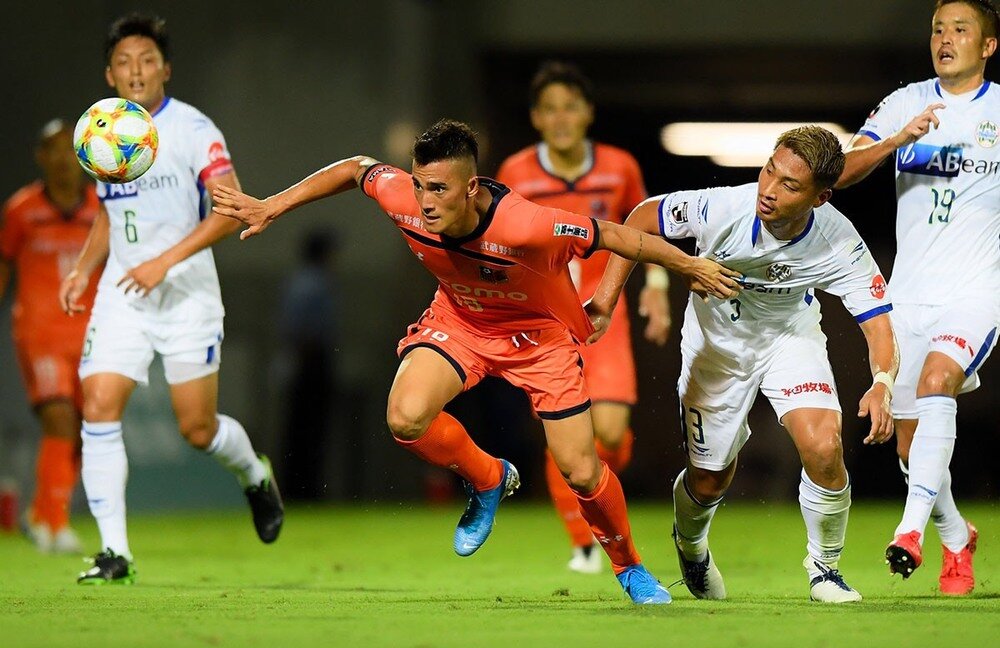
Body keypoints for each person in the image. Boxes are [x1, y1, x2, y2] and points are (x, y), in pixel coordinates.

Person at [212, 119, 741, 604]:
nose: (425, 202)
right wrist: (272, 205)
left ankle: (630, 568)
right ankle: (488, 477)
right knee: (405, 417)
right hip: (461, 322)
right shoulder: (402, 197)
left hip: (539, 339)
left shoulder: (525, 224)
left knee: (581, 472)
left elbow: (619, 235)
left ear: (470, 187)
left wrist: (686, 266)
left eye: (439, 189)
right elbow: (355, 169)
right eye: (420, 185)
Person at [588, 126, 898, 603]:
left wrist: (882, 382)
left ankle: (825, 569)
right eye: (769, 171)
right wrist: (606, 301)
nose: (769, 190)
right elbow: (642, 217)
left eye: (789, 185)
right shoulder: (723, 207)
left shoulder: (838, 242)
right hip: (717, 347)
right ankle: (691, 546)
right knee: (710, 478)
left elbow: (878, 323)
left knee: (823, 445)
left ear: (820, 198)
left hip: (789, 339)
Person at [58, 12, 284, 585]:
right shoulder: (102, 129)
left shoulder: (193, 129)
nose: (136, 71)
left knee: (197, 430)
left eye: (147, 60)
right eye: (125, 62)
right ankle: (114, 554)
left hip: (185, 293)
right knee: (98, 404)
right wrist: (83, 269)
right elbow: (111, 214)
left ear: (166, 70)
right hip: (124, 293)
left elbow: (230, 209)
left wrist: (164, 261)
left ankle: (254, 474)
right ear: (110, 75)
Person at [836, 0, 999, 596]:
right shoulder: (904, 103)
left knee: (936, 382)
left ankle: (909, 532)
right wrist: (896, 141)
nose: (944, 39)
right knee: (910, 447)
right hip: (907, 296)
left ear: (988, 46)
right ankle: (957, 537)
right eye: (937, 29)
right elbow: (841, 171)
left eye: (960, 29)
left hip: (975, 291)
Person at [496, 61, 670, 574]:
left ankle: (598, 498)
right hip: (544, 319)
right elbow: (497, 240)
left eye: (570, 107)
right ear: (536, 118)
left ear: (588, 112)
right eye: (549, 109)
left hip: (602, 315)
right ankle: (584, 542)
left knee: (610, 434)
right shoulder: (515, 173)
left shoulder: (619, 167)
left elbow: (645, 226)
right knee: (564, 430)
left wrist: (656, 287)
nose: (561, 118)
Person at [0, 120, 100, 554]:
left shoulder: (102, 209)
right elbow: (3, 262)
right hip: (39, 333)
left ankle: (42, 512)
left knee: (85, 428)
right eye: (53, 150)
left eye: (69, 149)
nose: (63, 159)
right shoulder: (22, 210)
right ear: (40, 157)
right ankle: (56, 525)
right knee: (58, 417)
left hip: (91, 333)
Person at [278, 230, 340, 499]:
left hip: (305, 359)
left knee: (302, 428)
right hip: (309, 361)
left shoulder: (301, 281)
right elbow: (300, 329)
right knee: (308, 428)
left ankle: (300, 487)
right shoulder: (313, 283)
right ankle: (303, 489)